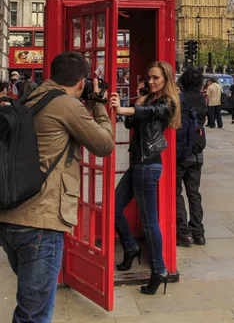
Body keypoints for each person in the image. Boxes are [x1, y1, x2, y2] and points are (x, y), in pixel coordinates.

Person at [0, 51, 114, 323]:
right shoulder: (66, 105)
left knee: (30, 304)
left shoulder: (30, 97)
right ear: (81, 81)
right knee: (34, 315)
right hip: (43, 221)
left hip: (11, 218)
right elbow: (104, 144)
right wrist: (98, 104)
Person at [110, 61, 181, 296]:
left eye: (156, 78)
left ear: (166, 80)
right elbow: (131, 123)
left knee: (150, 223)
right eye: (149, 77)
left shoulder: (167, 103)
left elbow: (151, 113)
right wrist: (137, 102)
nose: (150, 81)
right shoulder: (148, 99)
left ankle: (159, 270)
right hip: (137, 165)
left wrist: (126, 109)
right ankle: (130, 248)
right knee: (113, 208)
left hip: (148, 167)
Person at [176, 67, 207, 247]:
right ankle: (199, 232)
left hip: (180, 153)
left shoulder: (181, 100)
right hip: (197, 153)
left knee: (176, 193)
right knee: (194, 193)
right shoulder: (201, 100)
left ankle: (184, 232)